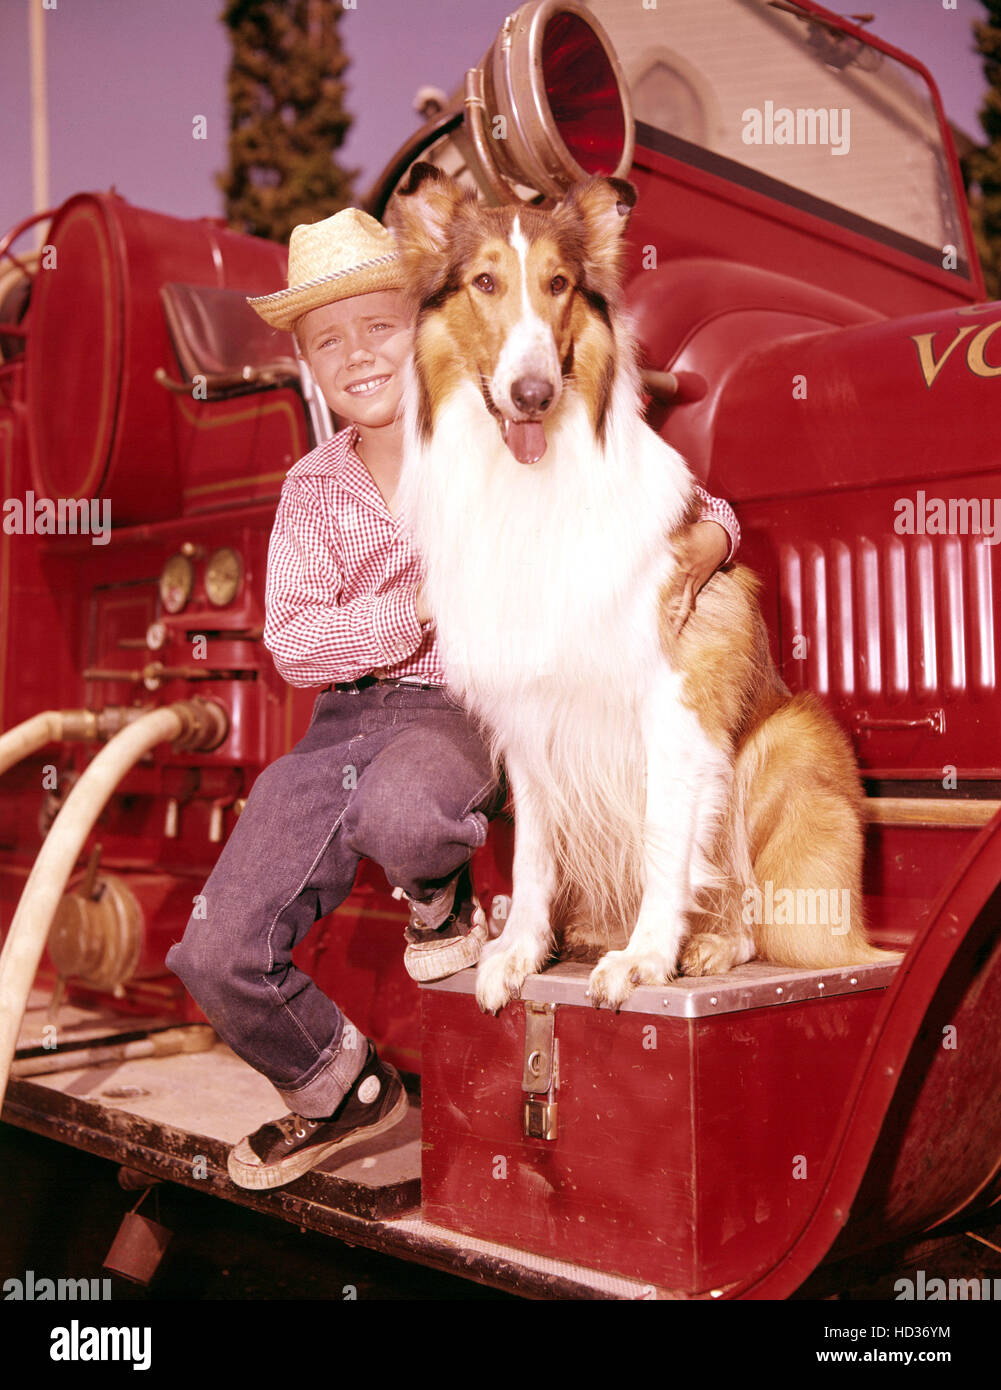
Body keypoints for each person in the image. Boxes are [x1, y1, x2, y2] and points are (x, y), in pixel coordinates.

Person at [166, 207, 741, 1191]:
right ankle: (340, 1090)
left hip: (459, 708)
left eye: (378, 326)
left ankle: (441, 903)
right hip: (342, 719)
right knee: (211, 945)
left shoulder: (494, 435)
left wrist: (714, 533)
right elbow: (294, 640)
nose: (357, 356)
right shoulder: (313, 489)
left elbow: (630, 493)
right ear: (303, 360)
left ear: (427, 323)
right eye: (326, 340)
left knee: (405, 804)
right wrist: (406, 609)